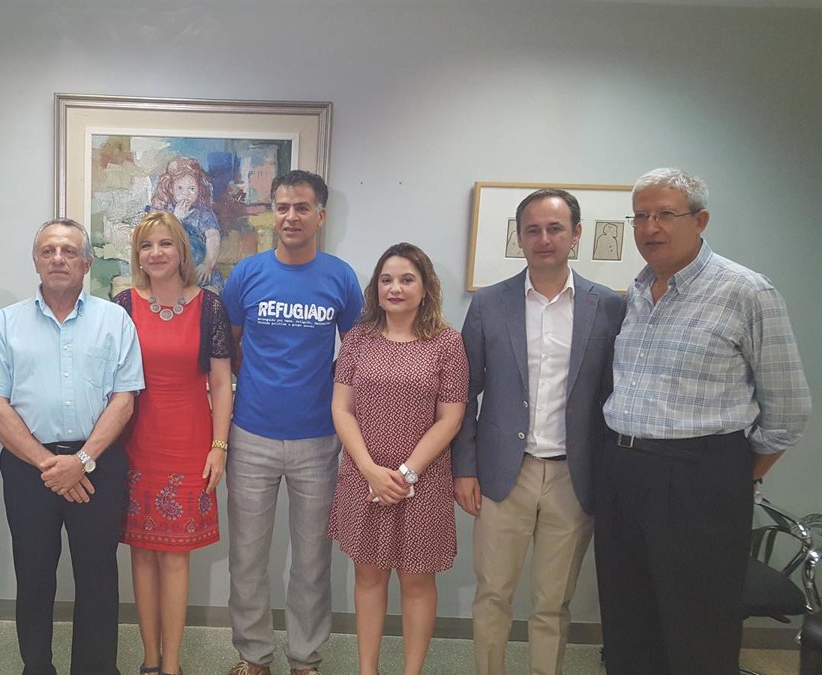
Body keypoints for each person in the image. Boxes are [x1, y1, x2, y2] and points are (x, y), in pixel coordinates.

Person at [597, 168, 811, 674]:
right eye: (640, 216)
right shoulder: (637, 292)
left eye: (665, 215)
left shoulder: (746, 291)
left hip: (701, 475)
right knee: (627, 618)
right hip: (623, 471)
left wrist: (736, 473)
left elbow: (789, 409)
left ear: (700, 220)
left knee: (698, 624)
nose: (650, 227)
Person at [452, 189, 625, 675]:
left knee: (553, 603)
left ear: (575, 234)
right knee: (492, 595)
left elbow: (613, 396)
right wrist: (464, 468)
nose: (544, 238)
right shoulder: (489, 304)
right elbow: (464, 392)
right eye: (533, 230)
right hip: (504, 475)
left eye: (555, 228)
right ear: (520, 237)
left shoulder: (608, 307)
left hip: (575, 476)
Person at [0, 218, 144, 675]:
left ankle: (95, 668)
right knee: (32, 573)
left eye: (69, 251)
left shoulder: (115, 320)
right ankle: (37, 666)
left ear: (86, 263)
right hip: (29, 466)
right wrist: (52, 465)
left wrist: (82, 461)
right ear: (36, 261)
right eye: (48, 251)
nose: (57, 259)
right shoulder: (5, 324)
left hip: (98, 463)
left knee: (98, 574)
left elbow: (124, 400)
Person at [221, 170, 363, 675]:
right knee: (247, 556)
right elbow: (230, 346)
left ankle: (305, 659)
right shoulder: (247, 275)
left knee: (311, 559)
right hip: (251, 434)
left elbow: (358, 353)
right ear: (272, 214)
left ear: (320, 215)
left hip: (319, 439)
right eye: (282, 207)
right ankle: (254, 657)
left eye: (302, 207)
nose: (291, 217)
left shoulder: (341, 277)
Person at [328, 242, 468, 675]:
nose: (395, 288)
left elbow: (451, 417)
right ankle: (367, 669)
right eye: (387, 279)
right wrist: (371, 470)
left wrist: (406, 474)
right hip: (364, 478)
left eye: (407, 279)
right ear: (376, 287)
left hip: (422, 482)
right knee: (369, 576)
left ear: (425, 288)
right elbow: (341, 409)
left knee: (417, 579)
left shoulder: (447, 344)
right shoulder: (357, 339)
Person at [112, 211, 232, 675]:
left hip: (189, 442)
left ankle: (173, 665)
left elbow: (221, 383)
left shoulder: (210, 307)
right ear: (137, 255)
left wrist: (218, 446)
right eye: (146, 245)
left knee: (176, 557)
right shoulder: (122, 305)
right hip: (134, 440)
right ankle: (149, 659)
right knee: (141, 553)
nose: (156, 253)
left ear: (182, 251)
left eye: (165, 243)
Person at [151, 157, 223, 290]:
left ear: (199, 189)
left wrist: (207, 263)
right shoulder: (164, 211)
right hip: (169, 270)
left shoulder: (203, 213)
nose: (186, 194)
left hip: (198, 269)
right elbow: (155, 237)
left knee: (209, 290)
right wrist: (176, 218)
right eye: (180, 188)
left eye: (192, 189)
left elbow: (213, 237)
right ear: (170, 188)